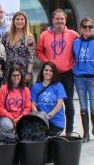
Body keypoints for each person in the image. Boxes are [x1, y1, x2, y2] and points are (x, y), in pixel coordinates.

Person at [36, 8, 79, 136]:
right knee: (49, 101)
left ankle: (69, 130)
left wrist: (76, 65)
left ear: (65, 20)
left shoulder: (73, 34)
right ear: (53, 20)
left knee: (68, 103)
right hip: (51, 75)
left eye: (62, 18)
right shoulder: (44, 35)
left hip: (67, 74)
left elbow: (79, 49)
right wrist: (48, 62)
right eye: (57, 18)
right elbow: (39, 51)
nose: (59, 21)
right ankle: (51, 129)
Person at [73, 16, 94, 142]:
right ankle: (86, 133)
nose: (87, 29)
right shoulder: (76, 42)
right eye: (85, 26)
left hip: (92, 78)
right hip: (79, 78)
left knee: (93, 106)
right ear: (81, 28)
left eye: (90, 26)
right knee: (83, 106)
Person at [31, 61, 67, 136]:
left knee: (49, 140)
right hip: (42, 121)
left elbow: (60, 104)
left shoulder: (58, 86)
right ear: (42, 71)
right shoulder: (36, 86)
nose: (48, 72)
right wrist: (39, 116)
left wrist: (50, 115)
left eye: (51, 71)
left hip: (56, 122)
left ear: (54, 73)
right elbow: (33, 103)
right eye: (46, 70)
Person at [1, 11, 35, 87]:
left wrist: (28, 73)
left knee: (23, 95)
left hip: (24, 70)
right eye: (17, 19)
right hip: (9, 70)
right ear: (13, 21)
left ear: (25, 22)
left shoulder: (29, 37)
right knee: (9, 94)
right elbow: (1, 51)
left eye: (22, 19)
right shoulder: (7, 35)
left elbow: (31, 56)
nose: (20, 21)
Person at [0, 67, 32, 132]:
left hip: (21, 117)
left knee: (27, 126)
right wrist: (12, 118)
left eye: (18, 75)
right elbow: (0, 108)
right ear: (10, 76)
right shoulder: (3, 89)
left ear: (21, 76)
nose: (16, 78)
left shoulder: (26, 90)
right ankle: (4, 138)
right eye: (13, 75)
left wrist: (20, 118)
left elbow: (28, 107)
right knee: (8, 126)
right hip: (6, 117)